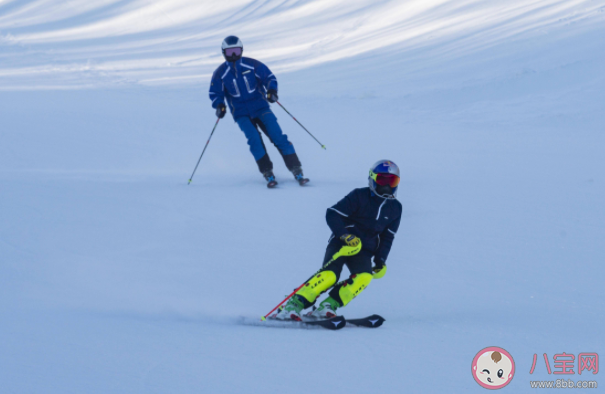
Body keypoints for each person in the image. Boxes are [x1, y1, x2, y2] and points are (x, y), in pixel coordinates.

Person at [274, 160, 402, 320]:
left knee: (364, 276)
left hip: (364, 250)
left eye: (392, 181)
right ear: (372, 179)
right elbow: (332, 213)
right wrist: (344, 235)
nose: (387, 186)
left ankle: (328, 306)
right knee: (329, 275)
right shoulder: (359, 196)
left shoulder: (396, 208)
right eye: (383, 181)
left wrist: (380, 260)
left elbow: (387, 236)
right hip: (342, 243)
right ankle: (294, 304)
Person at [209, 36, 309, 188]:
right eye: (230, 52)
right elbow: (216, 92)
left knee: (277, 136)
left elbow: (268, 77)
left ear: (241, 50)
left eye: (236, 51)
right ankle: (267, 172)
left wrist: (271, 90)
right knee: (254, 139)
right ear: (224, 53)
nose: (234, 56)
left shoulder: (252, 65)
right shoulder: (220, 73)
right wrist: (219, 105)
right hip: (241, 113)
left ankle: (296, 169)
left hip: (261, 108)